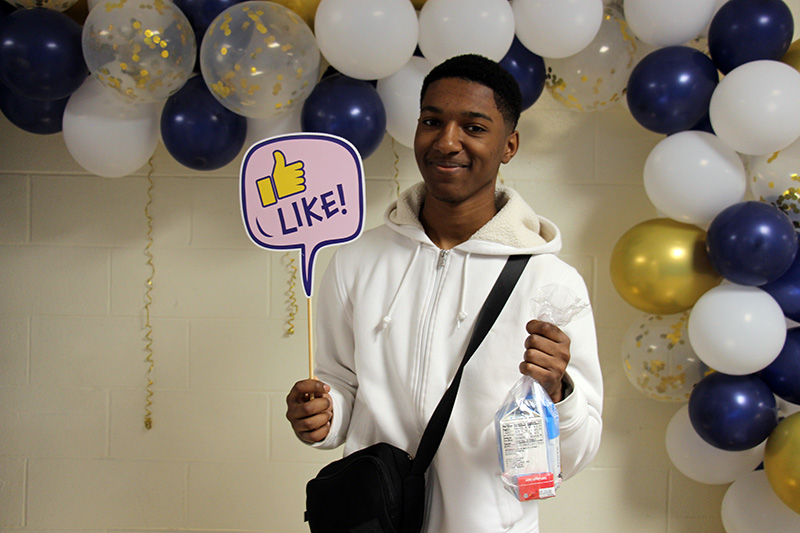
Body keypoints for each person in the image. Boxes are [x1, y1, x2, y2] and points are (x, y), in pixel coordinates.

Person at [286, 54, 603, 533]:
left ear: (509, 145)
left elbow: (574, 456)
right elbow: (341, 387)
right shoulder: (359, 258)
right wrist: (322, 414)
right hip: (376, 522)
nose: (447, 141)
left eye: (474, 127)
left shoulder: (551, 283)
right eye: (432, 121)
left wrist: (560, 393)